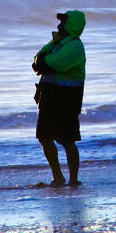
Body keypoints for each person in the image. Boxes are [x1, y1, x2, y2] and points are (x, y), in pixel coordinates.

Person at [32, 10, 87, 186]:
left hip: (66, 98)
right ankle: (58, 176)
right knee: (44, 136)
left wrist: (43, 62)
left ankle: (73, 179)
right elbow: (37, 61)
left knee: (67, 139)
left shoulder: (75, 46)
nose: (58, 25)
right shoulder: (57, 43)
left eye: (63, 22)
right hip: (49, 95)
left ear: (70, 25)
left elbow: (50, 63)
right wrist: (43, 61)